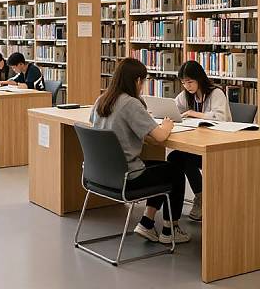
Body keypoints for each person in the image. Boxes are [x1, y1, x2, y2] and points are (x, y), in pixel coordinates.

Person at [90, 58, 190, 244]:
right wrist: (167, 125)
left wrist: (144, 133)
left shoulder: (101, 100)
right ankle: (170, 230)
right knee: (173, 172)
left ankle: (147, 222)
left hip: (101, 176)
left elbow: (111, 129)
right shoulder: (130, 103)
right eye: (143, 81)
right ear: (137, 81)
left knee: (162, 170)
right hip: (127, 177)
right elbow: (160, 137)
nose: (143, 86)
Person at [168, 60, 232, 221]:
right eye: (183, 82)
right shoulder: (186, 95)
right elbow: (173, 108)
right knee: (175, 157)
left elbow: (221, 118)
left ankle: (202, 198)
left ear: (199, 78)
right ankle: (200, 196)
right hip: (199, 142)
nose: (187, 86)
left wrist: (193, 113)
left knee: (185, 158)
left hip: (220, 145)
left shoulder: (216, 93)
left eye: (190, 82)